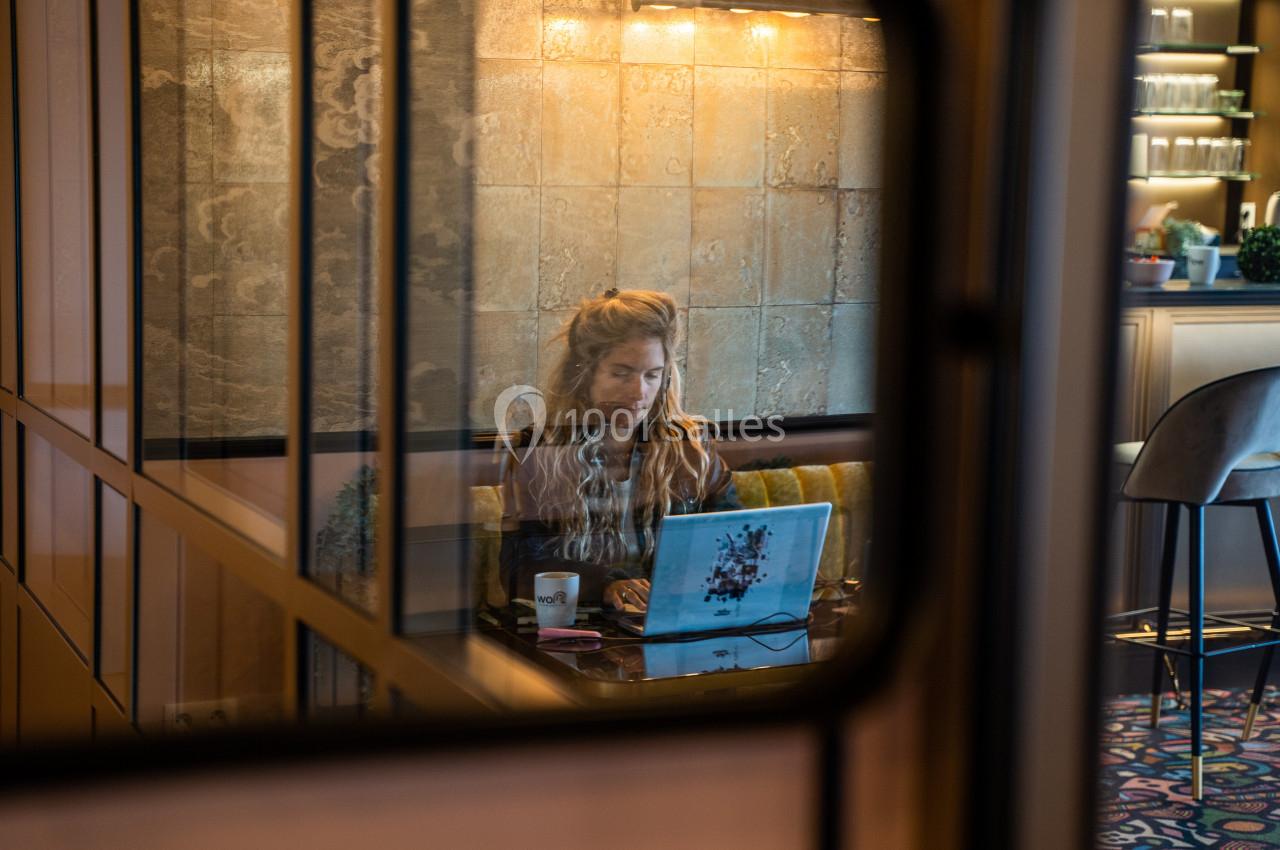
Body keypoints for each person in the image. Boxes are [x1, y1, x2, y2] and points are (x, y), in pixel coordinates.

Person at [499, 288, 740, 611]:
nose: (639, 392)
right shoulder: (538, 452)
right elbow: (519, 570)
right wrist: (605, 583)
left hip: (675, 617)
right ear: (583, 373)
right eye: (621, 373)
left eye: (653, 375)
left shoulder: (692, 449)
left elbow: (735, 538)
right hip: (583, 627)